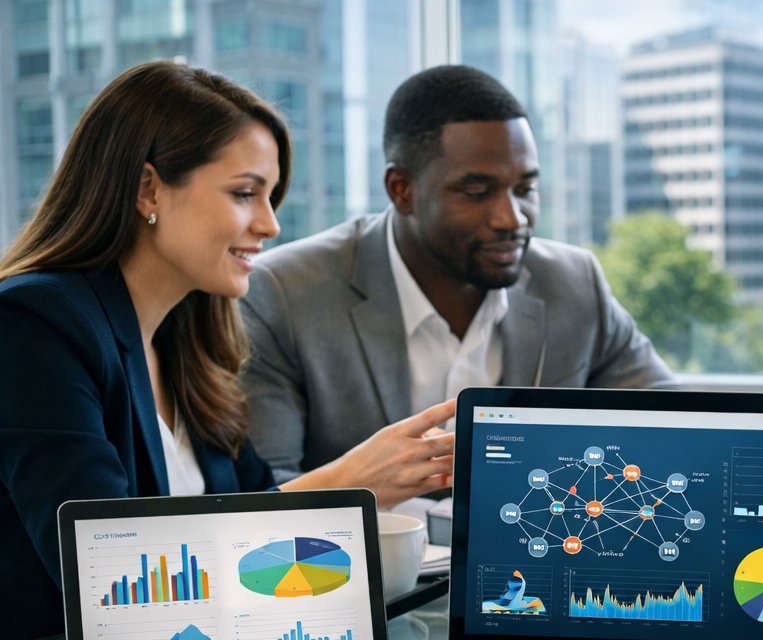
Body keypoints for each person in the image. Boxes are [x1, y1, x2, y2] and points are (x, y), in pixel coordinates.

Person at [0, 62, 455, 640]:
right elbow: (108, 579)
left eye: (270, 196)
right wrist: (345, 488)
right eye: (245, 194)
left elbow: (248, 548)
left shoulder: (190, 342)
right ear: (148, 190)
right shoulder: (34, 327)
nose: (269, 224)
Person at [240, 64, 675, 482]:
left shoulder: (575, 284)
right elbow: (268, 491)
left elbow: (675, 430)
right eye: (477, 192)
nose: (512, 219)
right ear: (402, 190)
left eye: (525, 189)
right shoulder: (285, 293)